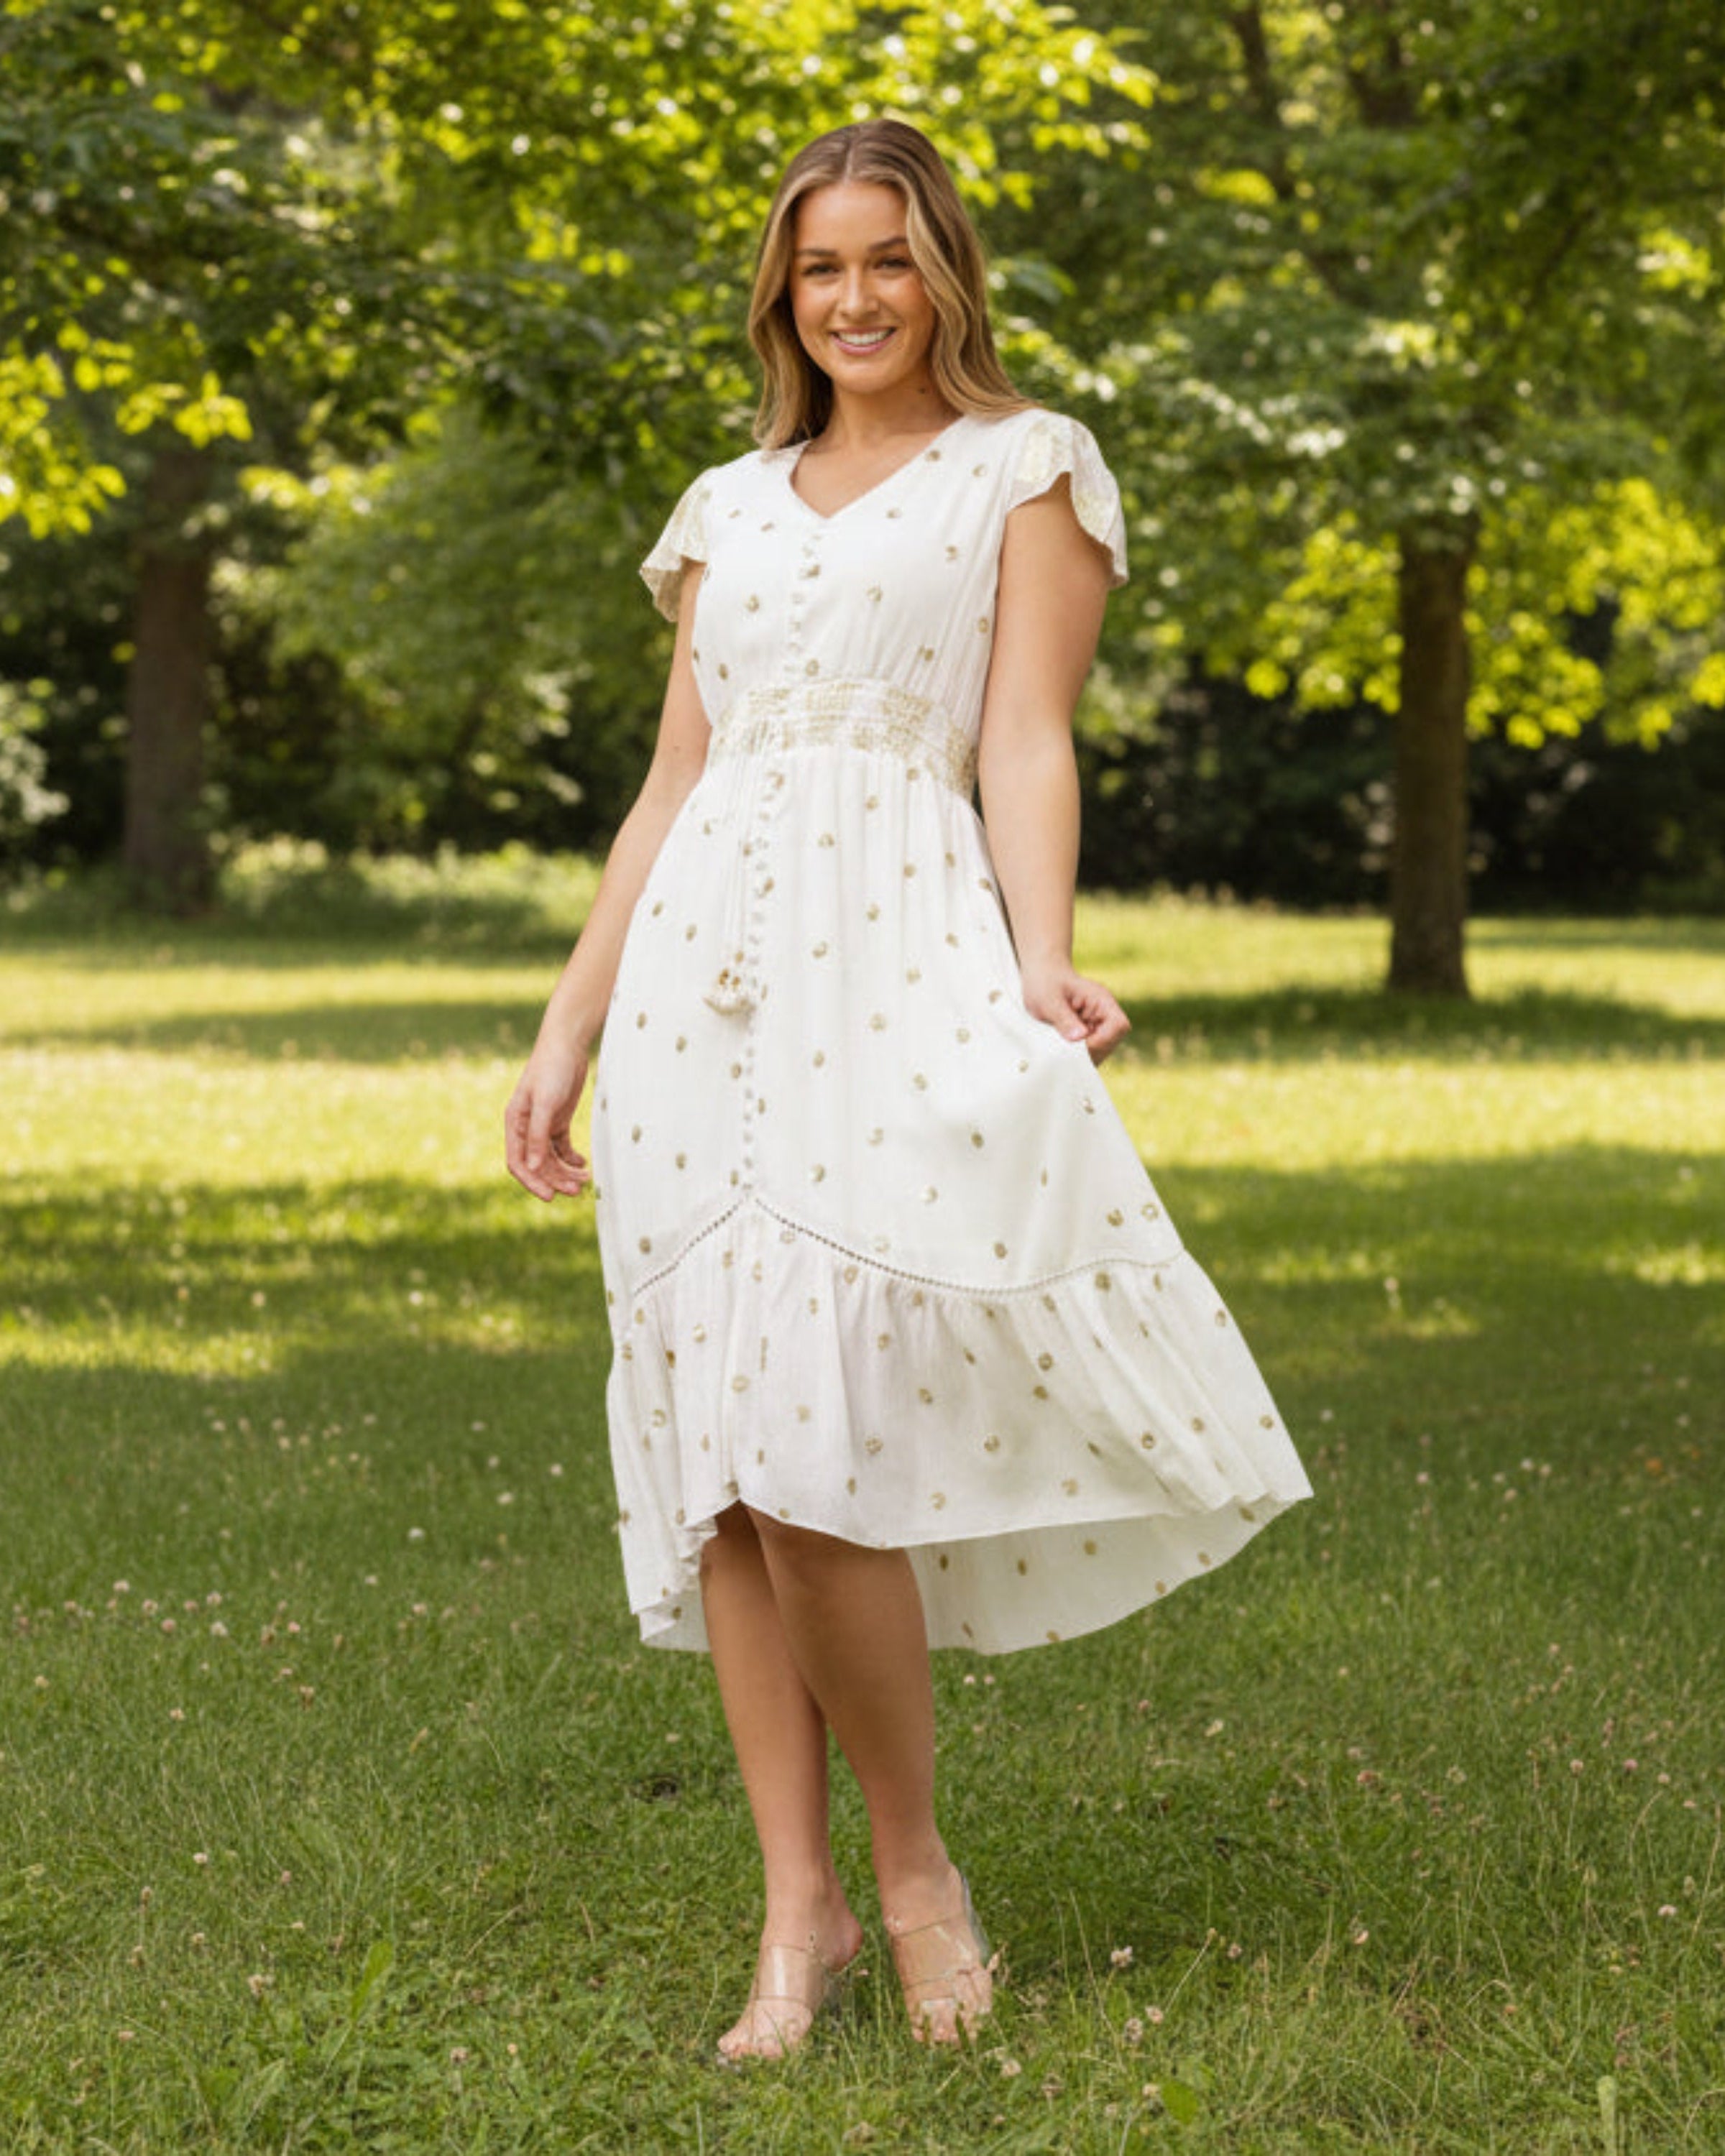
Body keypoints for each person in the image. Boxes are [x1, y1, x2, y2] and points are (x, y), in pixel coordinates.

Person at [506, 116, 1312, 2062]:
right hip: (697, 1001)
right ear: (781, 294)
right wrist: (567, 1025)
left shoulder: (1027, 469)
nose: (853, 298)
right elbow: (672, 783)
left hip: (892, 967)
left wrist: (1040, 956)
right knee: (727, 1472)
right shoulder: (725, 502)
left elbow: (1025, 739)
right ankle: (799, 1913)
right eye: (820, 268)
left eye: (887, 260)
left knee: (819, 1451)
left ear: (943, 271)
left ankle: (917, 1868)